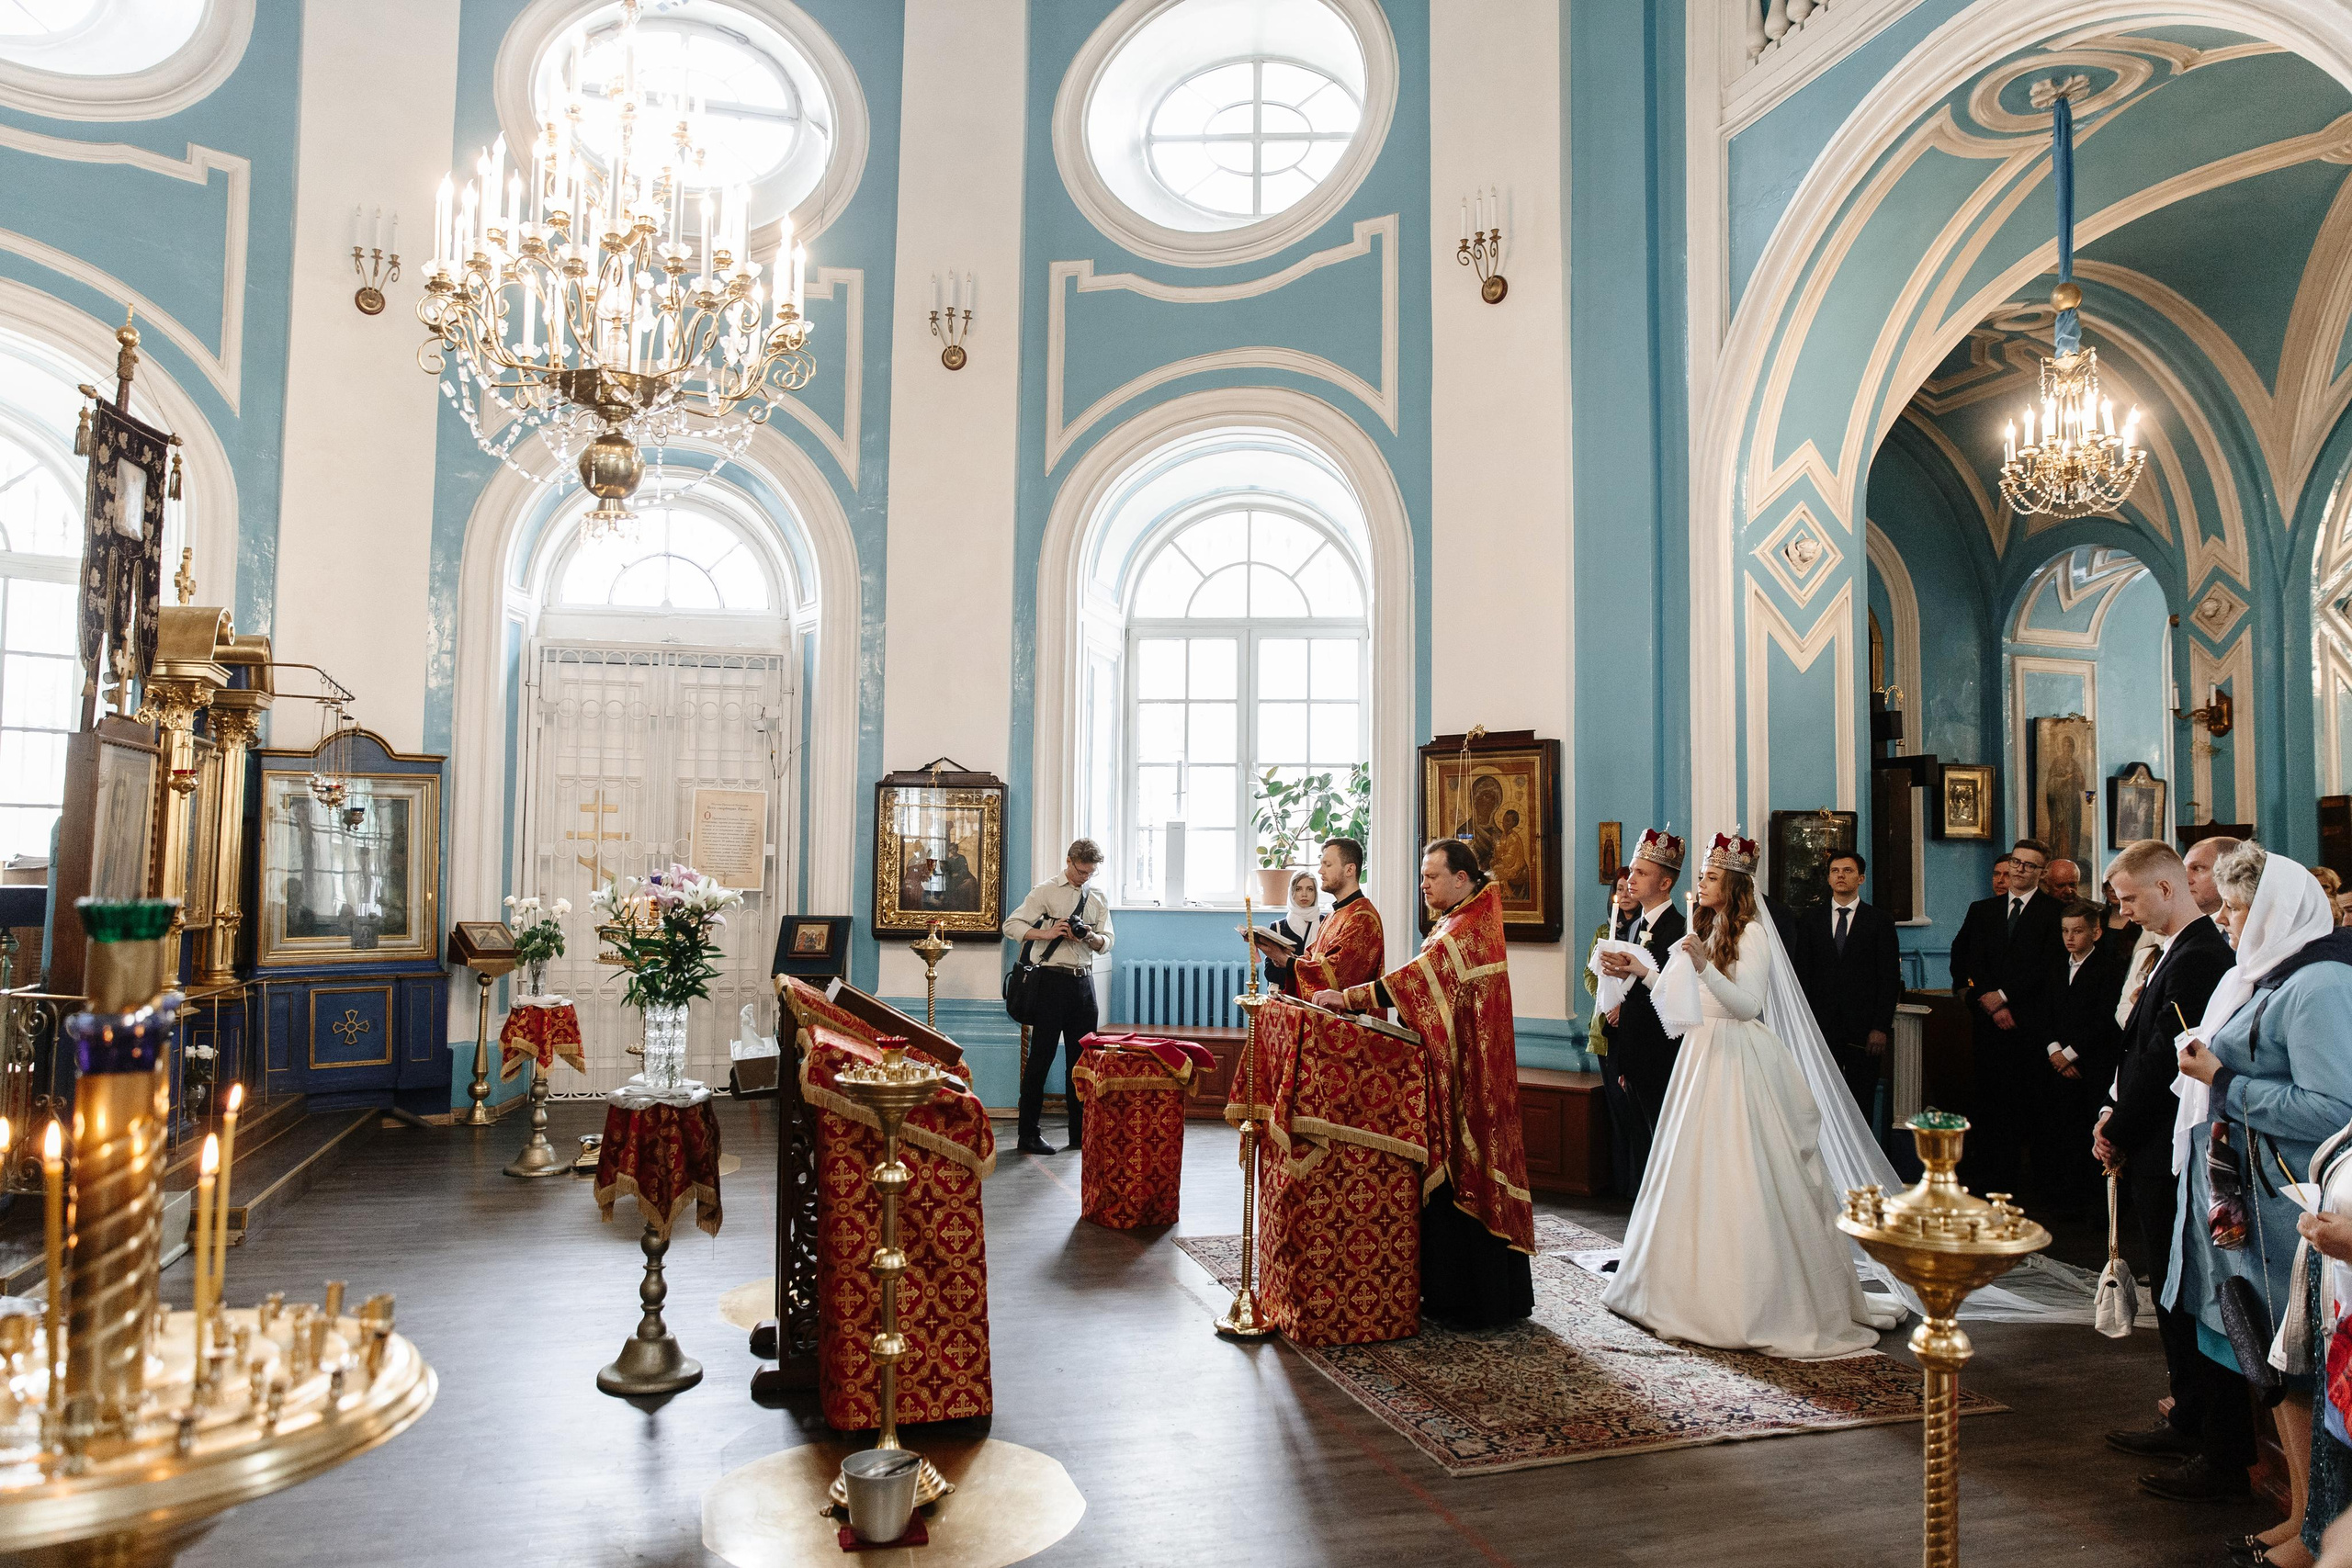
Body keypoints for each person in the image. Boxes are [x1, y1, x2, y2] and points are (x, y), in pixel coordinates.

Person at [1601, 831, 1894, 1358]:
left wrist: (1700, 963)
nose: (1702, 883)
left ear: (1734, 884)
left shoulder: (1754, 934)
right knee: (1688, 1172)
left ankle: (1752, 1298)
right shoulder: (1708, 930)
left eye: (1711, 877)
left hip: (1737, 1057)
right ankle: (1676, 1286)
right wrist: (1644, 972)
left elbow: (1745, 1005)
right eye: (1702, 876)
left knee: (1743, 1172)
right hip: (1700, 1055)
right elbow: (1680, 1003)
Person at [2165, 843, 2352, 1551]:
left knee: (2300, 1372)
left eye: (2239, 909)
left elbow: (2334, 1106)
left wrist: (2224, 1081)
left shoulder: (2320, 984)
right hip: (2259, 1205)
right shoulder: (2272, 977)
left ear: (2275, 908)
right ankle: (2306, 1516)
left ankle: (2320, 1534)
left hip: (2295, 1206)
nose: (2228, 922)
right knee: (2277, 1373)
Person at [1317, 840, 1534, 1327]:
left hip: (1470, 1075)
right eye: (1421, 876)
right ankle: (1468, 1293)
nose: (1423, 885)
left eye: (1431, 877)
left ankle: (1471, 1300)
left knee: (1467, 1165)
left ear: (1462, 878)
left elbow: (1419, 979)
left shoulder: (1466, 927)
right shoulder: (1464, 918)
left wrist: (1349, 998)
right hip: (1465, 1064)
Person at [2094, 839, 2249, 1500]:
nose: (2123, 913)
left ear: (2163, 888)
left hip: (2169, 1144)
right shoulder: (2176, 953)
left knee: (2184, 1293)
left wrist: (2119, 1126)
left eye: (2129, 899)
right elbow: (2139, 1048)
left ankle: (2215, 1441)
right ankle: (2189, 1411)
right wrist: (2111, 1108)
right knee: (2168, 1289)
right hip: (2151, 1140)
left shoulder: (2201, 956)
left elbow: (2165, 1059)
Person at [1950, 838, 2066, 1195]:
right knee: (1990, 1104)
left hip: (2029, 1024)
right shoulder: (1983, 909)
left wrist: (2004, 999)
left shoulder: (2053, 912)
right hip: (1988, 1025)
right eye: (2016, 862)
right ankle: (1991, 1181)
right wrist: (1987, 1000)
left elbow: (2048, 968)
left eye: (2028, 865)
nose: (2019, 870)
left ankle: (2034, 1188)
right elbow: (1967, 958)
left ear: (2041, 873)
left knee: (2031, 1106)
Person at [1002, 838, 1115, 1157]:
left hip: (1084, 984)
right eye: (1081, 871)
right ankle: (1028, 1134)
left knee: (1081, 1062)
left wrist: (1091, 936)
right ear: (1069, 862)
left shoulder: (1097, 896)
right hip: (1050, 982)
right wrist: (1048, 932)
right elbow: (1011, 925)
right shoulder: (1046, 890)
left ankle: (1080, 1133)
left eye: (1090, 873)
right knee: (1041, 1059)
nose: (1085, 878)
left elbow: (1108, 940)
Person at [1594, 828, 1688, 1189]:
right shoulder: (1634, 927)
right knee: (1642, 1142)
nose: (1629, 880)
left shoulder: (1679, 929)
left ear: (1665, 883)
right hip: (1634, 1054)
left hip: (1661, 1054)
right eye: (1631, 872)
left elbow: (1672, 997)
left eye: (1640, 873)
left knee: (1662, 1144)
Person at [1797, 850, 1900, 1117]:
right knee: (1817, 1098)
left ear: (1861, 878)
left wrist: (1880, 1027)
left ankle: (1861, 1158)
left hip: (1863, 1029)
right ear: (1829, 879)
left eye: (1848, 871)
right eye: (1835, 871)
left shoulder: (1879, 921)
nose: (1841, 875)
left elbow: (1888, 978)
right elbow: (1802, 974)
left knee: (1860, 1100)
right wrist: (1805, 1024)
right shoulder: (1810, 920)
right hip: (1821, 1025)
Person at [2037, 900, 2124, 1214]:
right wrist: (2055, 1052)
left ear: (2096, 932)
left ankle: (2095, 1207)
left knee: (2088, 1134)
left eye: (2077, 931)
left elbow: (2106, 1020)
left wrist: (2071, 1055)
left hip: (2090, 1066)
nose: (2069, 938)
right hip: (2056, 1063)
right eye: (2064, 931)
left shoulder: (2110, 968)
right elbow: (2043, 1012)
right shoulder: (2055, 965)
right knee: (2060, 1132)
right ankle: (2064, 1201)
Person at [1257, 838, 1385, 1009]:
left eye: (1327, 865)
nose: (1320, 871)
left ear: (1349, 869)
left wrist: (1285, 960)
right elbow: (1312, 958)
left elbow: (1335, 974)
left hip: (1351, 1026)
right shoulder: (1334, 915)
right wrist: (1282, 956)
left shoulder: (1362, 917)